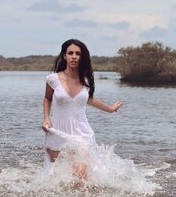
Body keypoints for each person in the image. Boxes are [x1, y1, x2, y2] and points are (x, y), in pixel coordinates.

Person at [41, 39, 122, 177]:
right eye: (70, 53)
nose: (74, 56)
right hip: (58, 131)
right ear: (64, 56)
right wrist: (46, 118)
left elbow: (89, 99)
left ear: (82, 57)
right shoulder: (53, 79)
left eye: (78, 53)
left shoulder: (86, 80)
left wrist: (110, 109)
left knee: (81, 175)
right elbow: (47, 98)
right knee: (58, 177)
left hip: (82, 132)